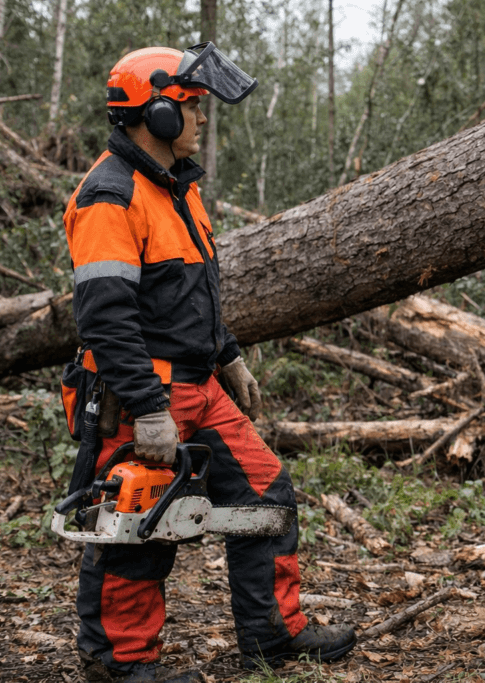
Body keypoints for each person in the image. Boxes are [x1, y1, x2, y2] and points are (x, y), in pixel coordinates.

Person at [61, 45, 355, 683]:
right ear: (157, 114)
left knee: (265, 490)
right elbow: (106, 319)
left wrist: (230, 357)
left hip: (198, 384)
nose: (201, 120)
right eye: (192, 107)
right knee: (136, 523)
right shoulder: (110, 197)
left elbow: (192, 293)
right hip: (142, 391)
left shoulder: (175, 188)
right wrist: (147, 408)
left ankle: (272, 635)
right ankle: (121, 664)